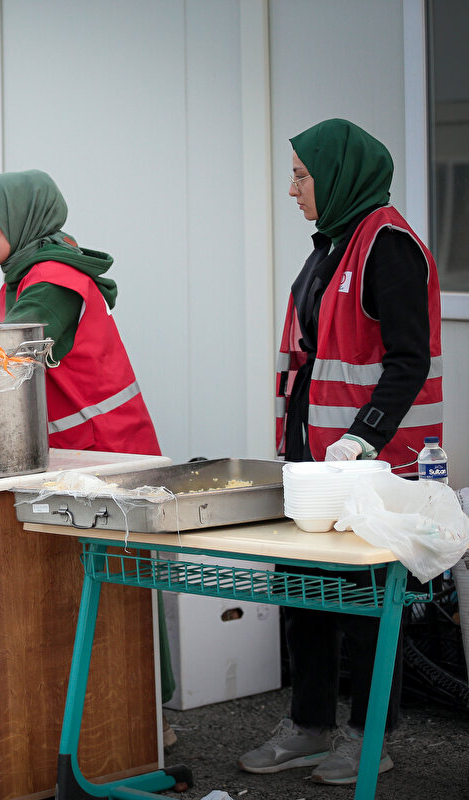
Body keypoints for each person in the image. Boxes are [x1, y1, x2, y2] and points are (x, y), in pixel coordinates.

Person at [240, 118, 441, 785]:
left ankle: (370, 735)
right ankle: (309, 725)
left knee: (366, 604)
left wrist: (364, 436)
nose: (292, 189)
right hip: (316, 465)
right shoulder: (330, 245)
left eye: (301, 175)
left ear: (338, 175)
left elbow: (409, 359)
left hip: (371, 467)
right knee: (304, 593)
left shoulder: (388, 245)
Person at [0, 169, 161, 456]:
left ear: (17, 218)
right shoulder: (20, 280)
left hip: (108, 449)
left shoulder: (52, 283)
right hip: (80, 448)